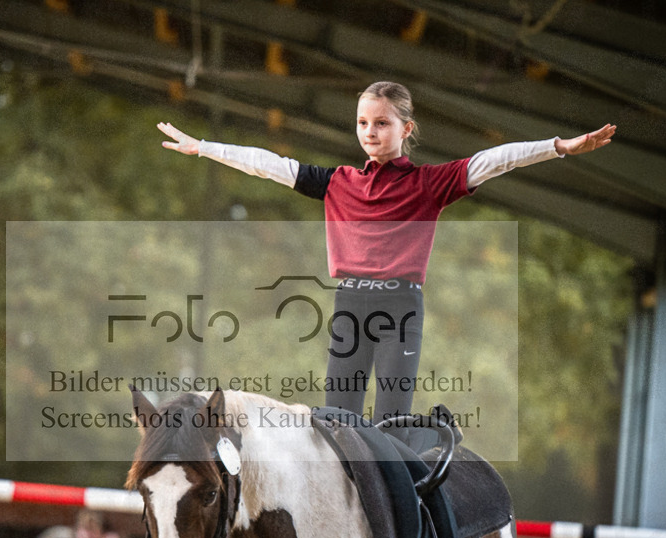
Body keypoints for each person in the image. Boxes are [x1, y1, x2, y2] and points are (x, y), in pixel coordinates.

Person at [158, 81, 615, 422]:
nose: (370, 132)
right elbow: (268, 165)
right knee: (337, 422)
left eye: (382, 123)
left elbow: (496, 160)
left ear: (405, 128)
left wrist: (558, 147)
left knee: (392, 423)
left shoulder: (430, 183)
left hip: (400, 308)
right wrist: (204, 148)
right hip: (349, 304)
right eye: (363, 123)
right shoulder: (337, 182)